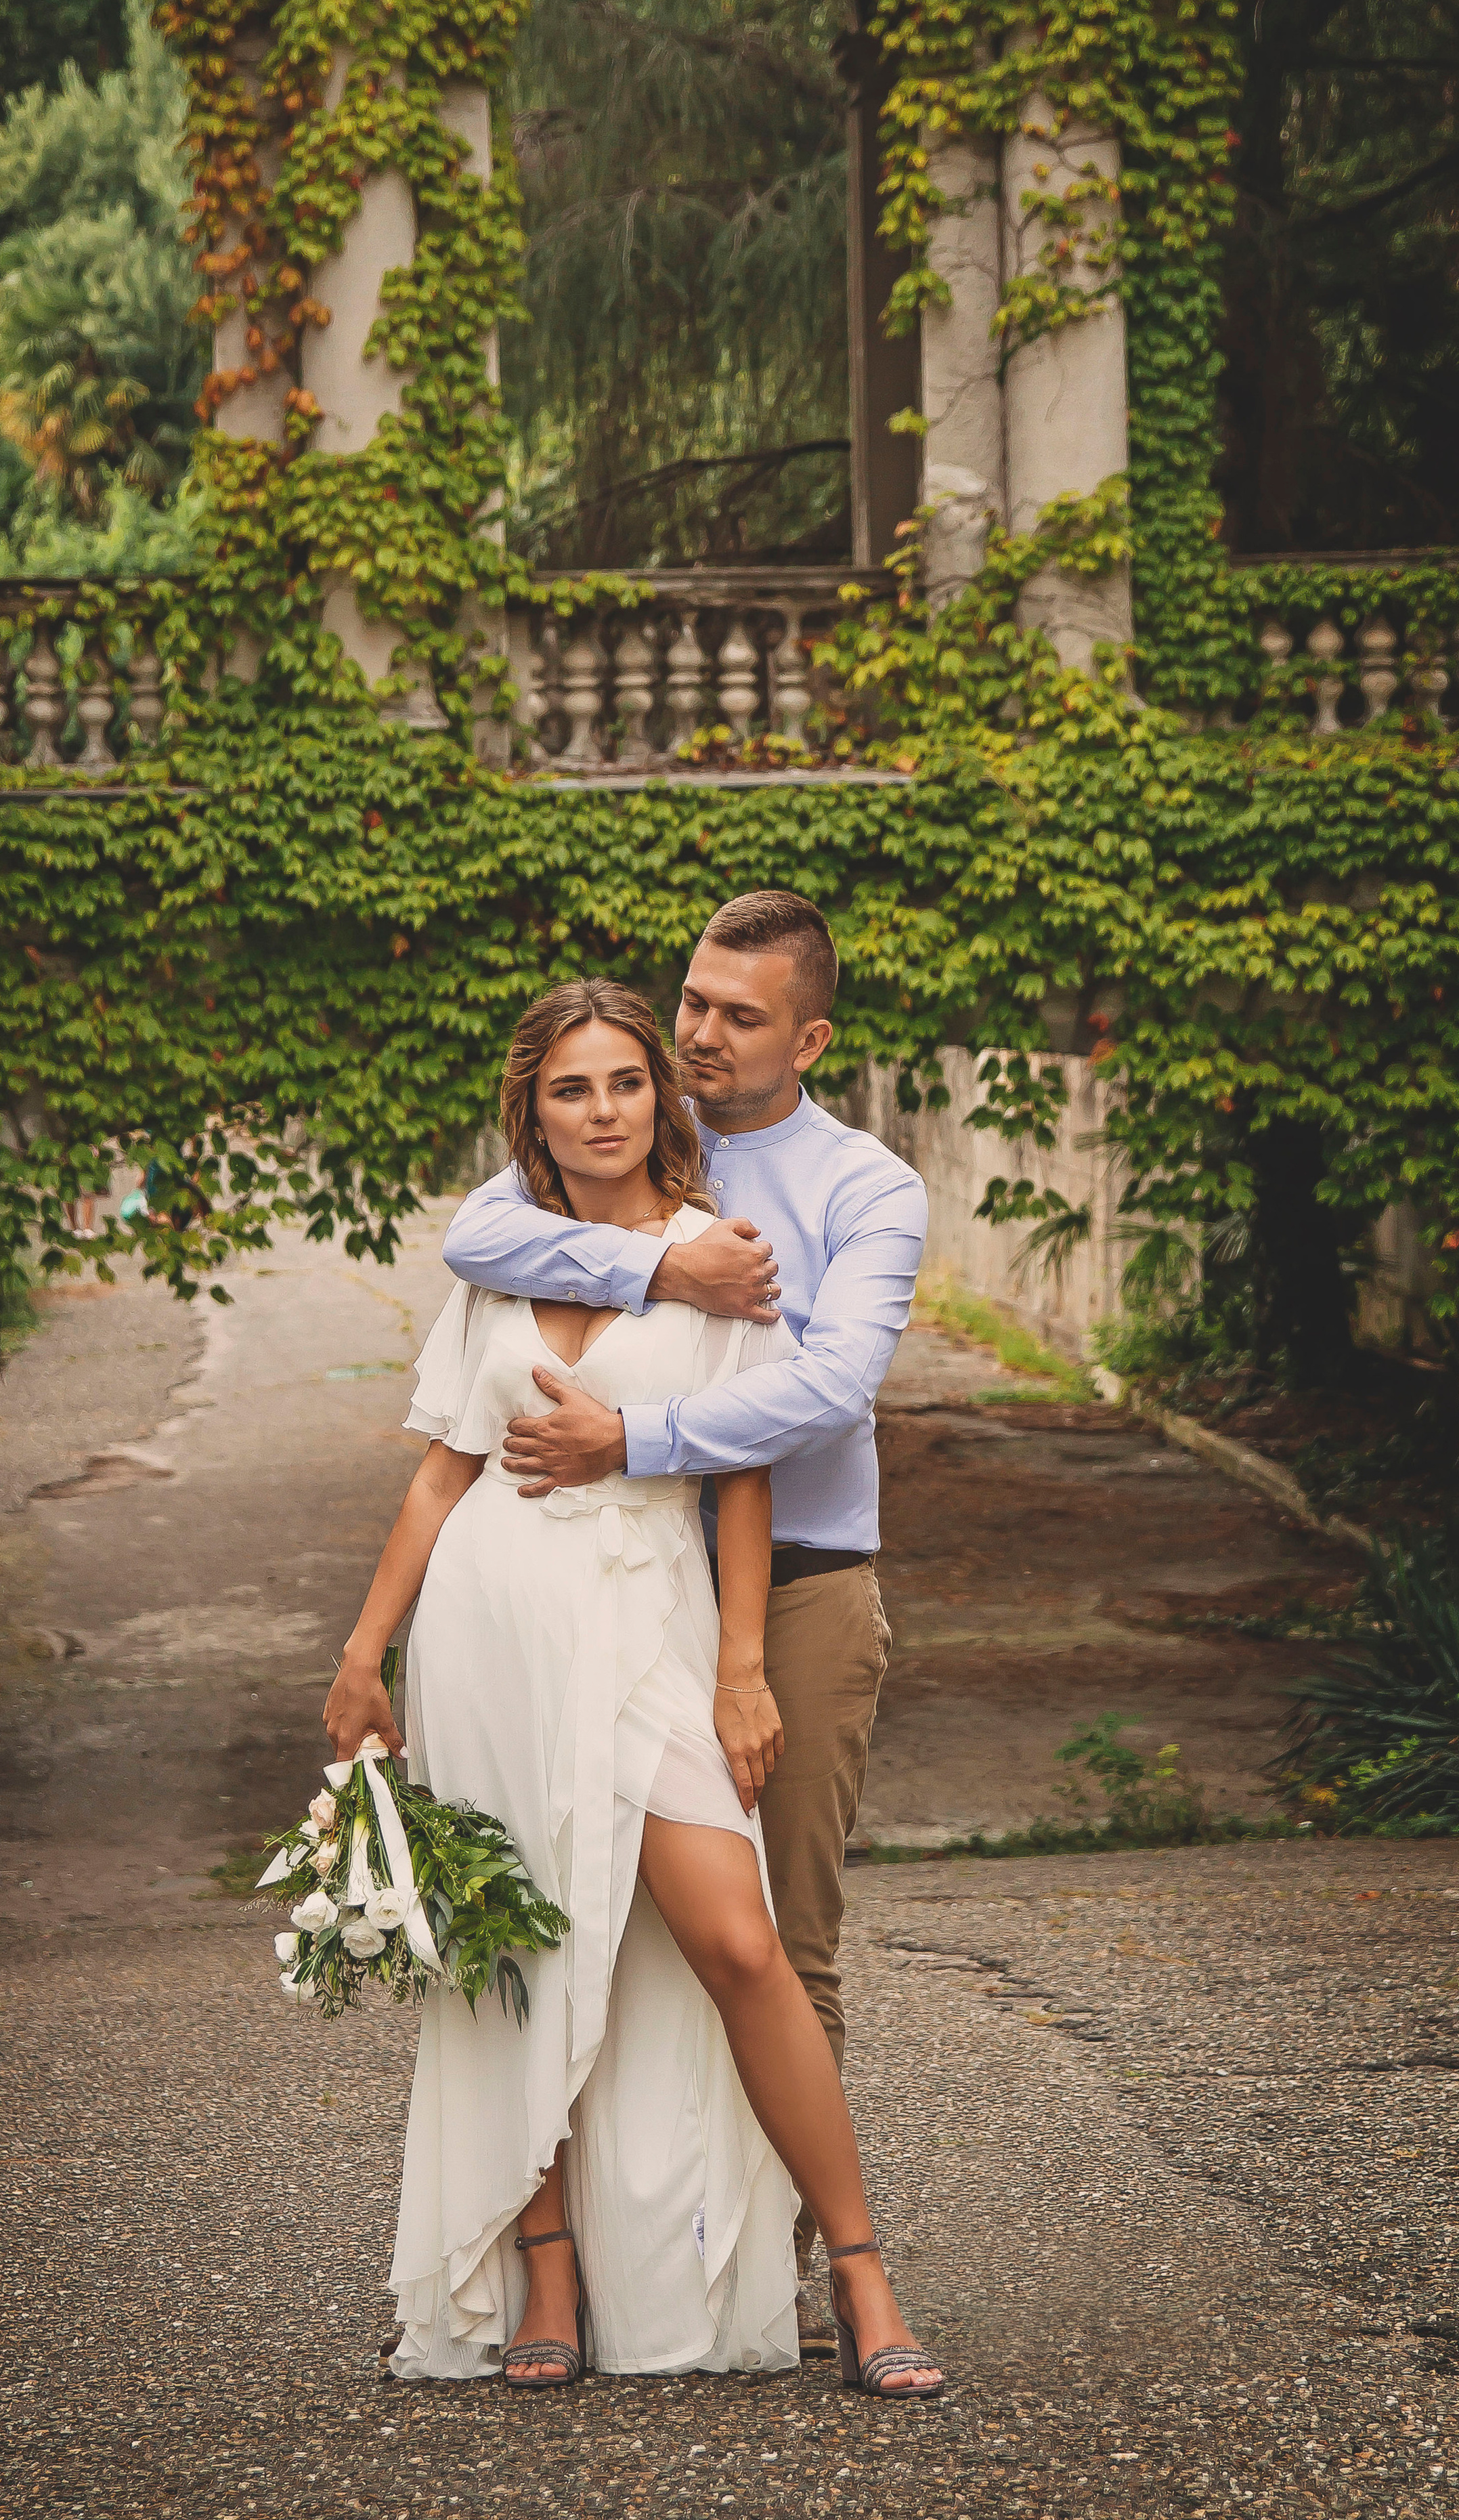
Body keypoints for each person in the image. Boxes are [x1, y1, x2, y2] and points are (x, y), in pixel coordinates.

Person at [323, 979, 941, 2398]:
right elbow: (441, 1475)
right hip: (489, 1630)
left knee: (738, 1943)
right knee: (518, 1943)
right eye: (569, 1089)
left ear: (659, 1096)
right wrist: (364, 1654)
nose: (601, 1112)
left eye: (623, 1082)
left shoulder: (718, 1260)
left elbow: (744, 1477)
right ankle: (545, 2268)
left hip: (648, 1619)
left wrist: (739, 1670)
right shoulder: (496, 1260)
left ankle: (859, 2273)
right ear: (531, 1112)